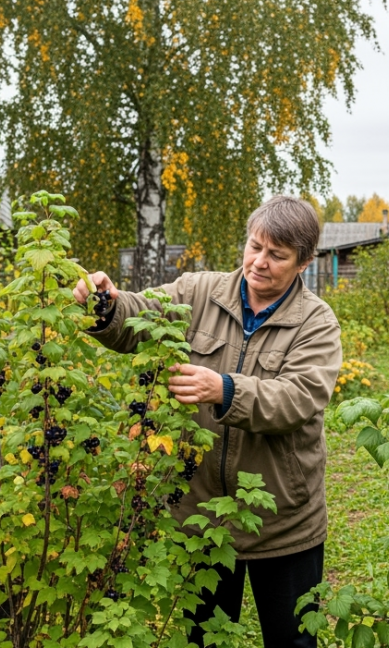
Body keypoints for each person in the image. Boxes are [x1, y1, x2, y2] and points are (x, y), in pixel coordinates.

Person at [72, 196, 341, 648]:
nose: (259, 262)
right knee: (204, 639)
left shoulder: (316, 322)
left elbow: (302, 396)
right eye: (255, 246)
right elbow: (137, 316)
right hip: (201, 516)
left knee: (292, 639)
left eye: (277, 255)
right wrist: (105, 302)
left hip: (284, 519)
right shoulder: (198, 292)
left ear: (304, 262)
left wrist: (226, 389)